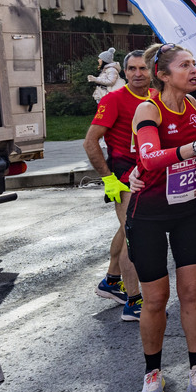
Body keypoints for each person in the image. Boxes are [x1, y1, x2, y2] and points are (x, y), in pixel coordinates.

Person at [128, 43, 196, 392]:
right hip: (149, 215)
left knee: (191, 292)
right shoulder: (148, 108)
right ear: (164, 75)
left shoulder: (194, 106)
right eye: (184, 65)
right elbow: (149, 157)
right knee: (155, 298)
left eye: (194, 64)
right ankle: (152, 372)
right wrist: (194, 148)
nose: (193, 70)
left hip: (187, 210)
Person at [84, 50, 151, 322]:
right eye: (132, 69)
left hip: (150, 177)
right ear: (124, 72)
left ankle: (112, 281)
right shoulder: (114, 100)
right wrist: (108, 178)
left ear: (152, 71)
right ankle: (133, 303)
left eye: (143, 68)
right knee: (134, 236)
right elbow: (90, 142)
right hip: (124, 179)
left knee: (126, 230)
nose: (138, 73)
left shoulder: (155, 97)